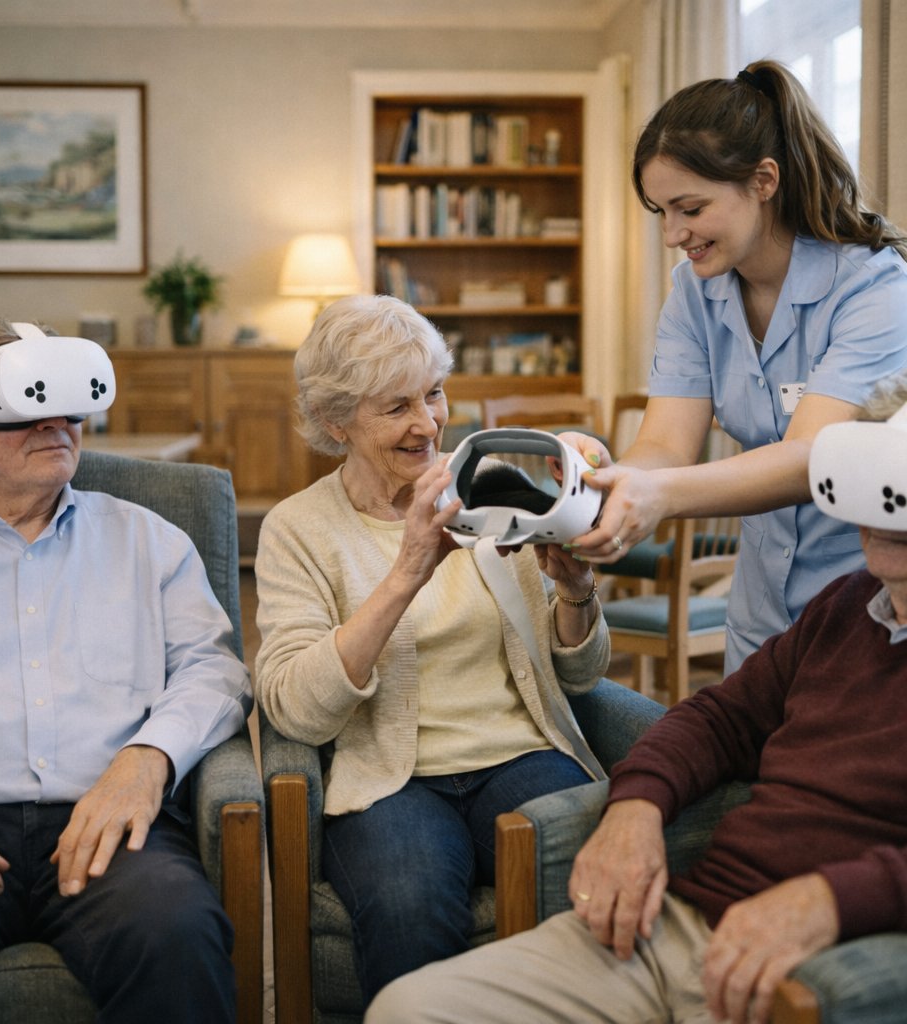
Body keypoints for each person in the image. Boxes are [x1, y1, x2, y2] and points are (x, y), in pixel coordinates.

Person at [365, 373, 907, 1024]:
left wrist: (831, 900)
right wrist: (637, 805)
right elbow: (720, 717)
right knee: (408, 1008)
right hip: (672, 927)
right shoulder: (845, 609)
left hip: (804, 972)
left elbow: (578, 667)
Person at [0, 318, 253, 1024]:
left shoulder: (150, 540)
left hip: (110, 829)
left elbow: (216, 669)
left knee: (179, 936)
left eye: (64, 402)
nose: (54, 423)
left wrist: (149, 759)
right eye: (22, 406)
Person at [254, 293, 611, 1003]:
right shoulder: (296, 528)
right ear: (336, 421)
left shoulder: (494, 489)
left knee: (595, 876)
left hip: (518, 753)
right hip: (391, 782)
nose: (429, 424)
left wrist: (575, 593)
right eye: (396, 408)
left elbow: (578, 674)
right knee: (409, 908)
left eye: (435, 394)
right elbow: (295, 710)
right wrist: (408, 569)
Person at [566, 59, 907, 673]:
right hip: (760, 615)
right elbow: (666, 445)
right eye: (662, 212)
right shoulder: (695, 295)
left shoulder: (873, 287)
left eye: (690, 209)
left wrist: (656, 493)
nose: (674, 233)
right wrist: (603, 478)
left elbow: (812, 458)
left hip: (870, 607)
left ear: (764, 180)